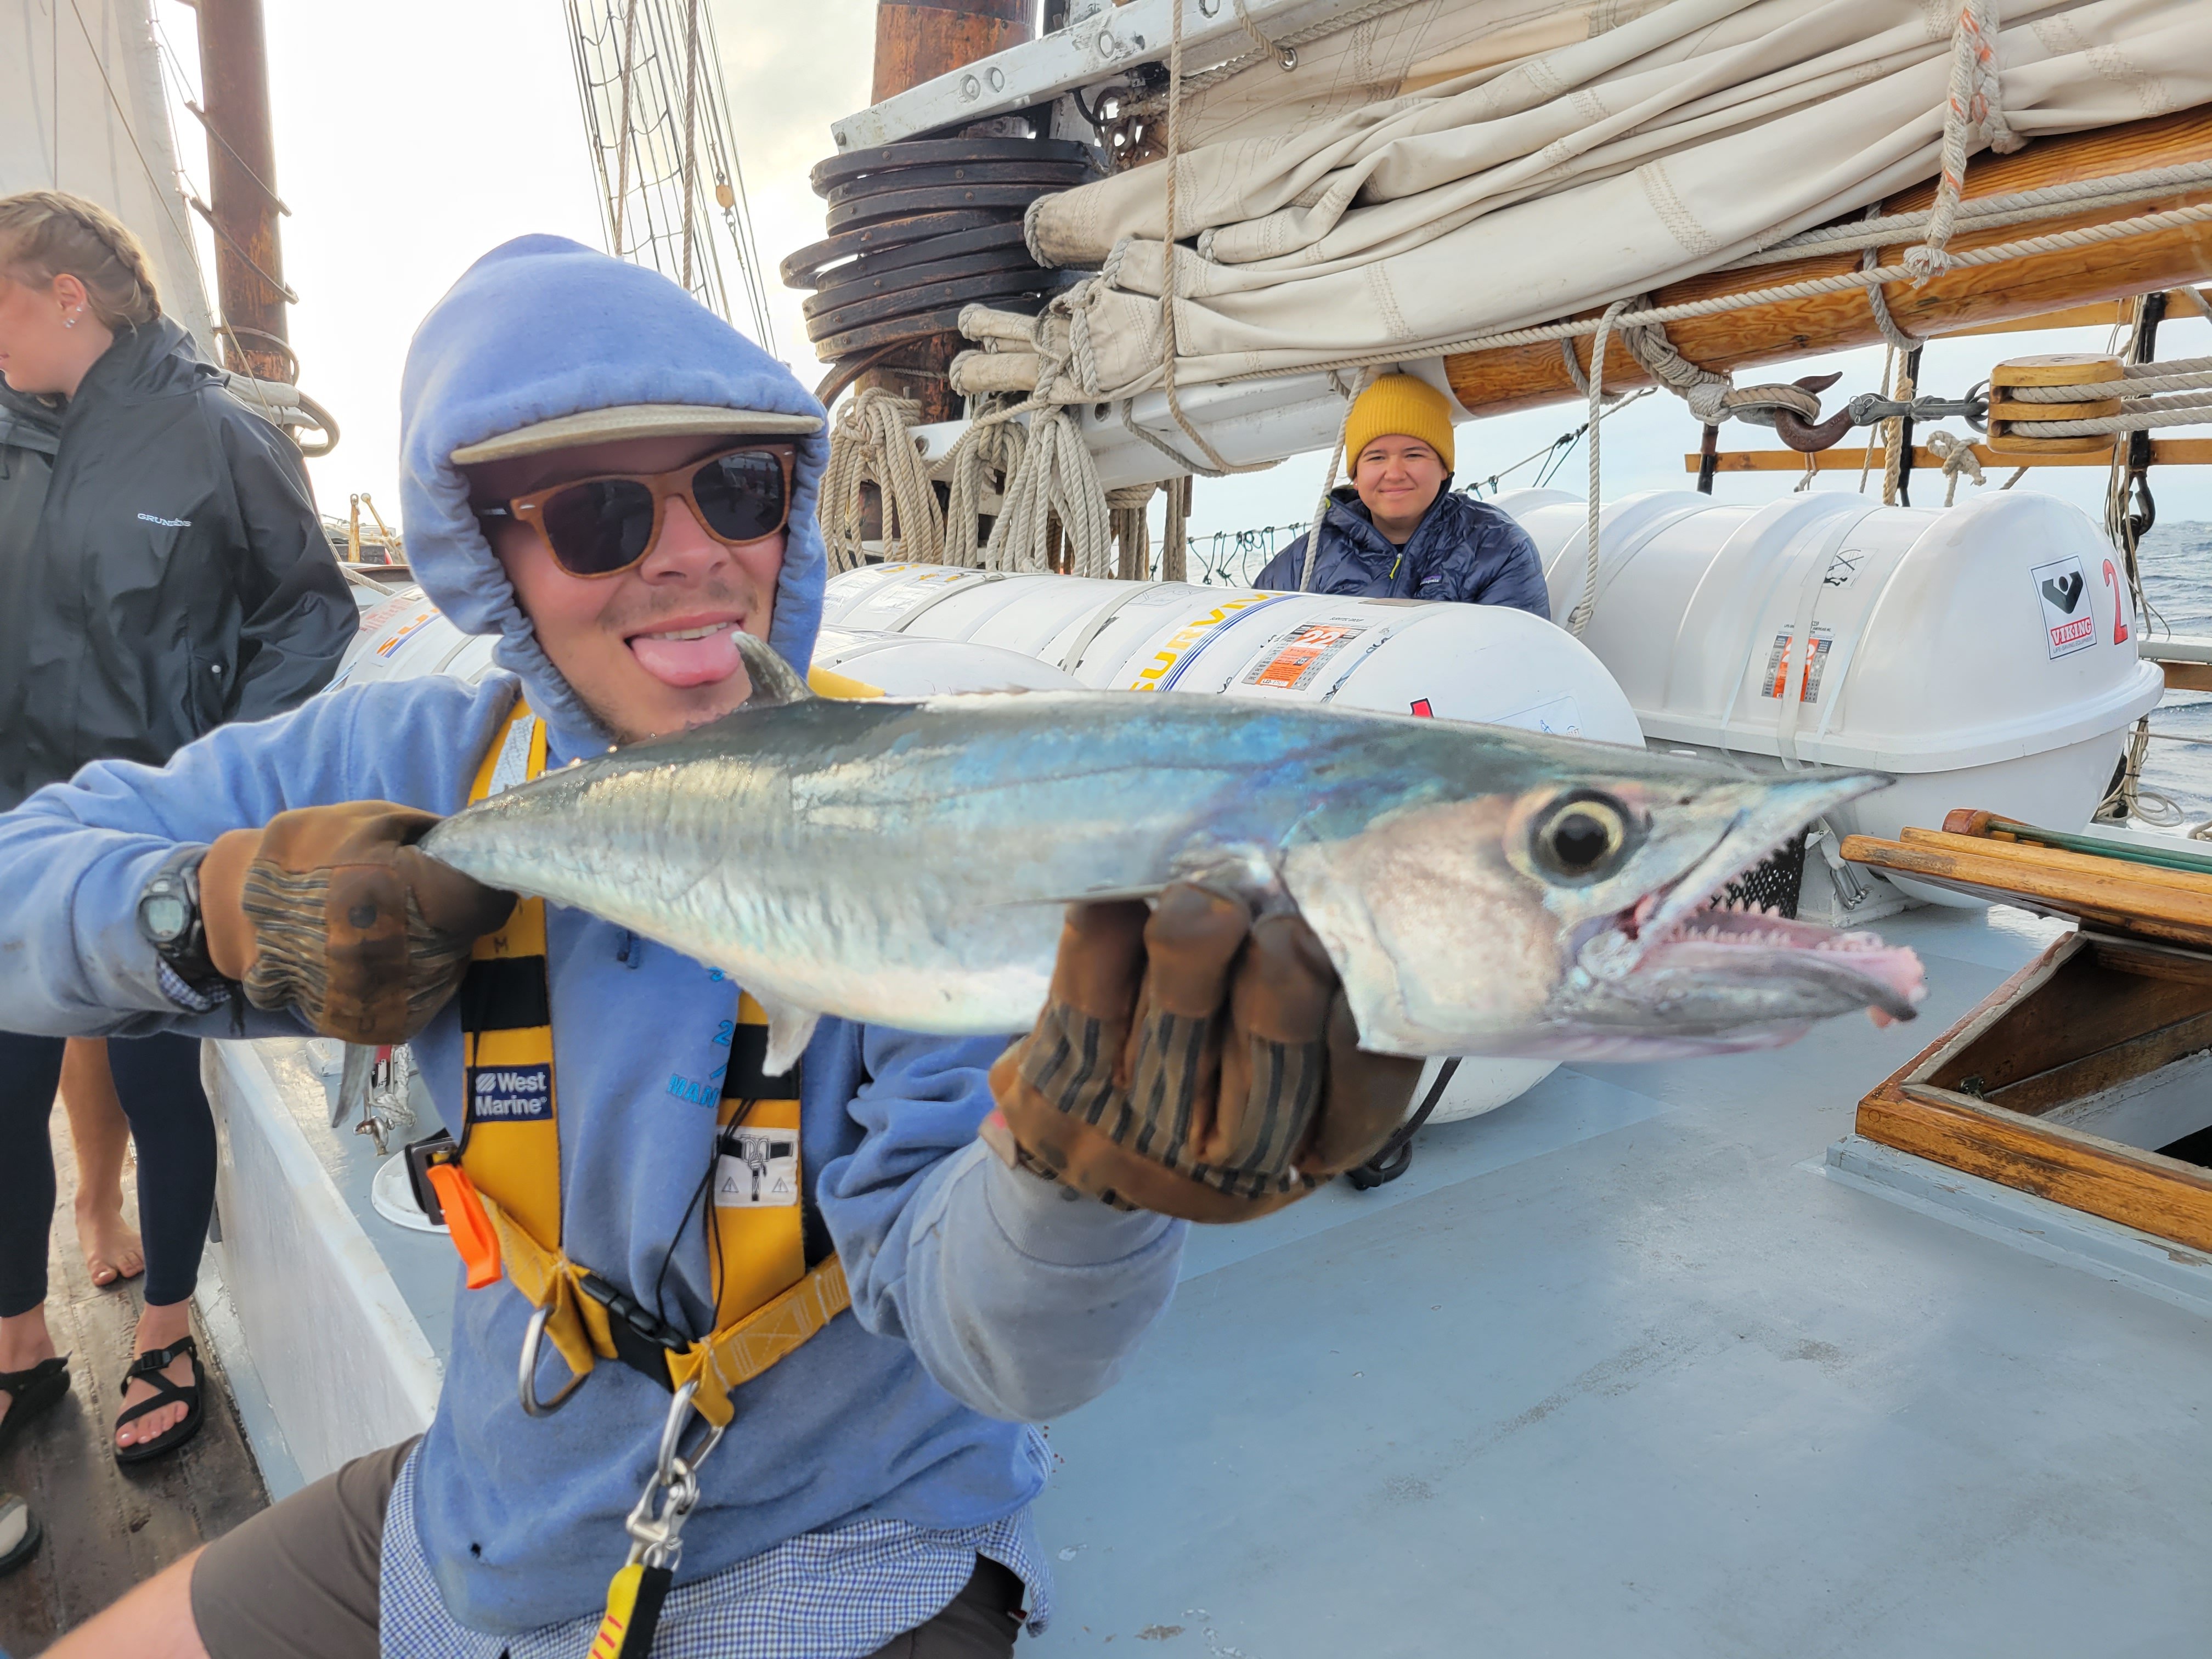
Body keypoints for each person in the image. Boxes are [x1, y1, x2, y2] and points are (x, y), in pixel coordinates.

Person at [3, 235, 1417, 1658]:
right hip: (498, 1499)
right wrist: (213, 916)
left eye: (741, 490)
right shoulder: (420, 762)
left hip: (852, 1531)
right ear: (488, 551)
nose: (692, 556)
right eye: (600, 513)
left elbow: (1002, 1341)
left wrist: (1090, 1189)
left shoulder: (923, 822)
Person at [0, 189, 356, 1473]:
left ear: (63, 297)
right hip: (14, 844)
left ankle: (166, 1327)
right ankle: (19, 1343)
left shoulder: (214, 435)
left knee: (161, 1087)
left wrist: (214, 778)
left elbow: (311, 614)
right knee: (0, 1097)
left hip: (150, 844)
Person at [1255, 372, 1553, 616]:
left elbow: (1515, 664)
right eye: (1376, 458)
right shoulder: (1304, 561)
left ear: (1444, 469)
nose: (1395, 473)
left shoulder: (1498, 549)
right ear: (1356, 476)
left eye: (1413, 455)